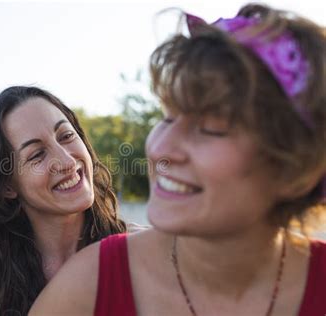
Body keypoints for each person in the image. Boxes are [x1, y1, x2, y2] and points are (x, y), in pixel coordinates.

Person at [30, 4, 326, 315]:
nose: (161, 149)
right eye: (168, 117)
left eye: (209, 128)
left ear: (297, 169)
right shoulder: (84, 291)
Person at [0, 86, 128, 315]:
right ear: (6, 186)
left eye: (66, 136)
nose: (67, 161)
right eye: (37, 154)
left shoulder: (139, 252)